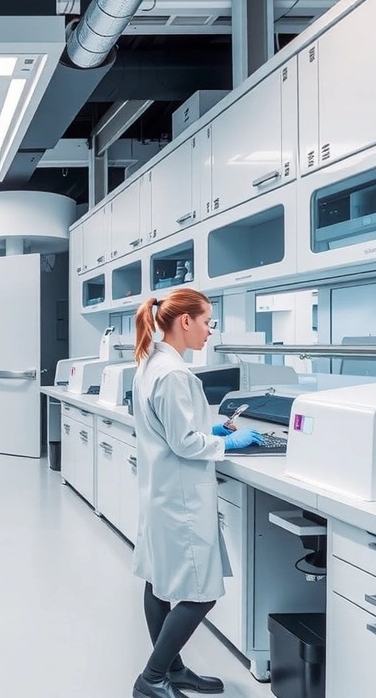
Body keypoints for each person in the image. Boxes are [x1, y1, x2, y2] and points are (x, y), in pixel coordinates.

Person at [129, 289, 262, 698]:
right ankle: (151, 678)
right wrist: (228, 443)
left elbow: (176, 429)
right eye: (207, 322)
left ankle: (173, 669)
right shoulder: (173, 373)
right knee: (200, 594)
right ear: (184, 322)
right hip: (181, 499)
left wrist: (210, 430)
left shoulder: (152, 363)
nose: (209, 331)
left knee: (159, 582)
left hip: (164, 492)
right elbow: (185, 442)